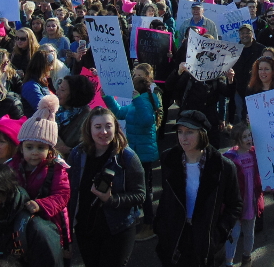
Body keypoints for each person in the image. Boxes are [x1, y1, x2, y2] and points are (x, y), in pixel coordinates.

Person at [154, 110, 242, 267]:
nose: (183, 137)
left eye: (189, 132)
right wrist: (161, 229)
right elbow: (166, 198)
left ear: (202, 134)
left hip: (204, 240)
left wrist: (219, 233)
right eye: (180, 132)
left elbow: (235, 205)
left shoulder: (224, 167)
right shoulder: (169, 159)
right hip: (175, 238)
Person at [67, 107, 145, 267]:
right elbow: (70, 191)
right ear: (89, 129)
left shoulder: (127, 157)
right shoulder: (77, 154)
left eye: (108, 126)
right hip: (86, 228)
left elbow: (140, 194)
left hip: (118, 228)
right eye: (98, 127)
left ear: (116, 127)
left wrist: (111, 199)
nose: (104, 132)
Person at [8, 95, 71, 261]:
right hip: (19, 221)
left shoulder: (56, 168)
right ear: (21, 148)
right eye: (29, 147)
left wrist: (40, 205)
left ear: (50, 150)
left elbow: (62, 195)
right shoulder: (12, 165)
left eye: (40, 147)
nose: (34, 152)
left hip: (50, 221)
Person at [103, 76, 159, 241]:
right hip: (137, 152)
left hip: (144, 153)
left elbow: (148, 120)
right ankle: (141, 220)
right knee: (138, 188)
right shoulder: (137, 102)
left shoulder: (145, 102)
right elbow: (120, 112)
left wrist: (137, 100)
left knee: (144, 191)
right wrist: (107, 97)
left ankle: (149, 224)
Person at [245, 56, 274, 226]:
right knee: (259, 178)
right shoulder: (252, 90)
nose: (263, 72)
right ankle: (259, 213)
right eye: (260, 69)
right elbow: (245, 113)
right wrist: (248, 119)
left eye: (266, 69)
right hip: (258, 138)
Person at [224, 123, 263, 267]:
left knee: (249, 232)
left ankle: (247, 257)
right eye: (244, 136)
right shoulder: (229, 158)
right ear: (237, 139)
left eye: (250, 135)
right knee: (233, 234)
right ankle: (228, 262)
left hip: (251, 202)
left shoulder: (255, 154)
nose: (249, 139)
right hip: (235, 204)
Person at [54, 75, 96, 157]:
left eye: (62, 90)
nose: (57, 92)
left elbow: (89, 151)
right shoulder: (56, 111)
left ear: (73, 94)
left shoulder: (87, 119)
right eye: (58, 88)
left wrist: (67, 150)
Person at [21, 50, 54, 117]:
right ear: (43, 67)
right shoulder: (31, 86)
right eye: (50, 65)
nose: (52, 68)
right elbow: (42, 110)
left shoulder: (43, 83)